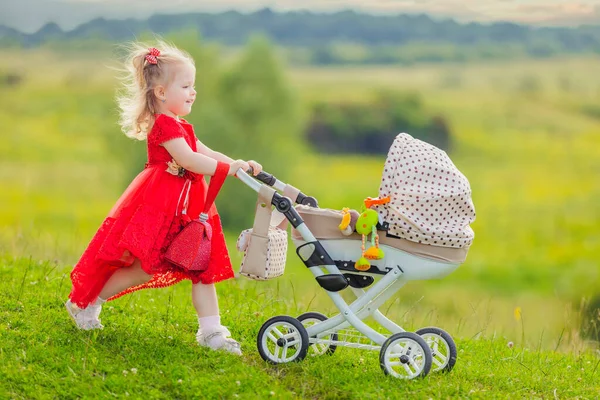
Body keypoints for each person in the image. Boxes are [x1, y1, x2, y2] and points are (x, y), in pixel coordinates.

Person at [65, 41, 262, 356]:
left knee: (202, 267)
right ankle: (87, 303)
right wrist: (224, 169)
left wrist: (235, 165)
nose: (192, 92)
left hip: (191, 207)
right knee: (145, 266)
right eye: (185, 86)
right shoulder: (165, 125)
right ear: (160, 92)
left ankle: (211, 331)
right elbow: (189, 160)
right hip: (163, 205)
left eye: (193, 86)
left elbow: (203, 152)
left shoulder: (181, 124)